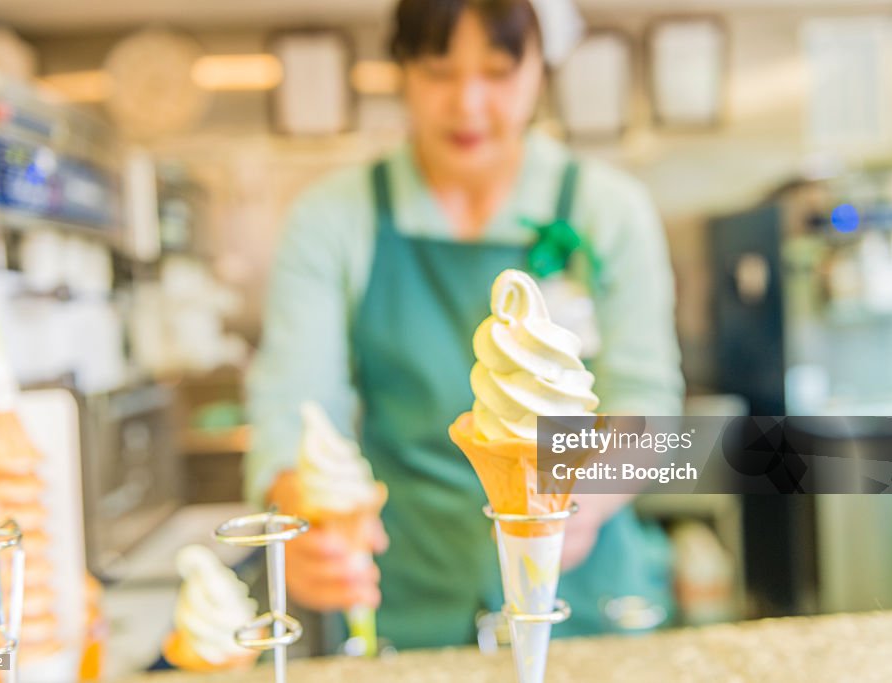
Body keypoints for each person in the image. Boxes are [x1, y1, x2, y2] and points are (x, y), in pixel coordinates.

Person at [245, 0, 684, 651]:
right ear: (401, 69)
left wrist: (581, 500)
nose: (469, 103)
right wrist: (305, 515)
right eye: (438, 70)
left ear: (541, 67)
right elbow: (297, 408)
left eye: (500, 70)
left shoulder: (607, 210)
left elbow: (647, 405)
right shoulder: (333, 219)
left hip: (587, 604)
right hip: (410, 599)